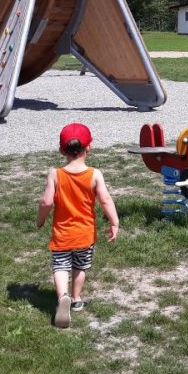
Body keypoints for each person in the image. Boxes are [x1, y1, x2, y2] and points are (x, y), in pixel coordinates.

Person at [37, 123, 119, 328]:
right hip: (85, 234)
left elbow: (46, 202)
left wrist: (41, 220)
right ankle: (75, 298)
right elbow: (106, 200)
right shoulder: (94, 174)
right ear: (89, 147)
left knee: (60, 266)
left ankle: (62, 295)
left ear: (61, 150)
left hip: (62, 234)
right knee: (80, 266)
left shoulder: (55, 174)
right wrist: (114, 222)